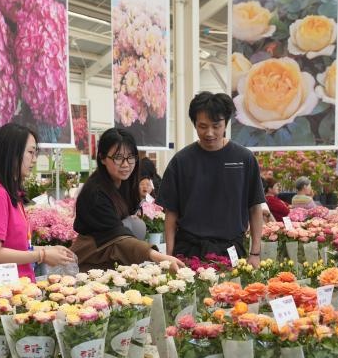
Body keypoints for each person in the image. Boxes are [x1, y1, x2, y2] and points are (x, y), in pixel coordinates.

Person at [157, 92, 266, 262]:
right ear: (194, 124)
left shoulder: (244, 159)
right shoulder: (181, 161)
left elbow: (255, 208)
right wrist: (170, 256)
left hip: (230, 251)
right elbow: (171, 212)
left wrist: (255, 253)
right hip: (188, 250)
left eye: (216, 126)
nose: (209, 133)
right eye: (202, 126)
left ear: (225, 124)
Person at [0, 124, 75, 290]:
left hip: (18, 290)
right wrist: (42, 255)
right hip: (3, 297)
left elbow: (16, 247)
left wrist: (48, 249)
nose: (34, 159)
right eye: (30, 152)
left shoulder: (10, 193)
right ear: (12, 153)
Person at [72, 129, 183, 271]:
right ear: (102, 158)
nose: (126, 164)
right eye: (118, 157)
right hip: (91, 262)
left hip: (111, 259)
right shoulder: (95, 193)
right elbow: (117, 239)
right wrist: (157, 256)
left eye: (131, 157)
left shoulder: (124, 183)